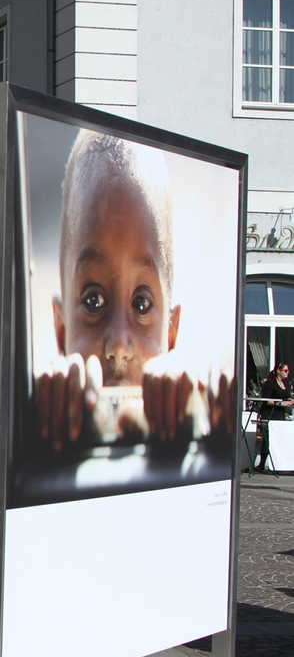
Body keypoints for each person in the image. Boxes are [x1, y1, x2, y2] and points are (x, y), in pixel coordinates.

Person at [34, 131, 233, 451]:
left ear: (171, 332)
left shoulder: (192, 416)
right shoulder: (42, 427)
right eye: (93, 301)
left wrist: (198, 412)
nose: (119, 346)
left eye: (142, 304)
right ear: (61, 329)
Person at [257, 363, 294, 471]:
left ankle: (278, 464)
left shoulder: (286, 383)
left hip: (280, 414)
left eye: (288, 371)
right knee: (268, 438)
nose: (287, 373)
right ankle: (262, 463)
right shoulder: (271, 383)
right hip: (269, 413)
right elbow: (266, 400)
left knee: (278, 438)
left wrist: (290, 400)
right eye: (285, 371)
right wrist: (280, 404)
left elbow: (286, 396)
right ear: (279, 371)